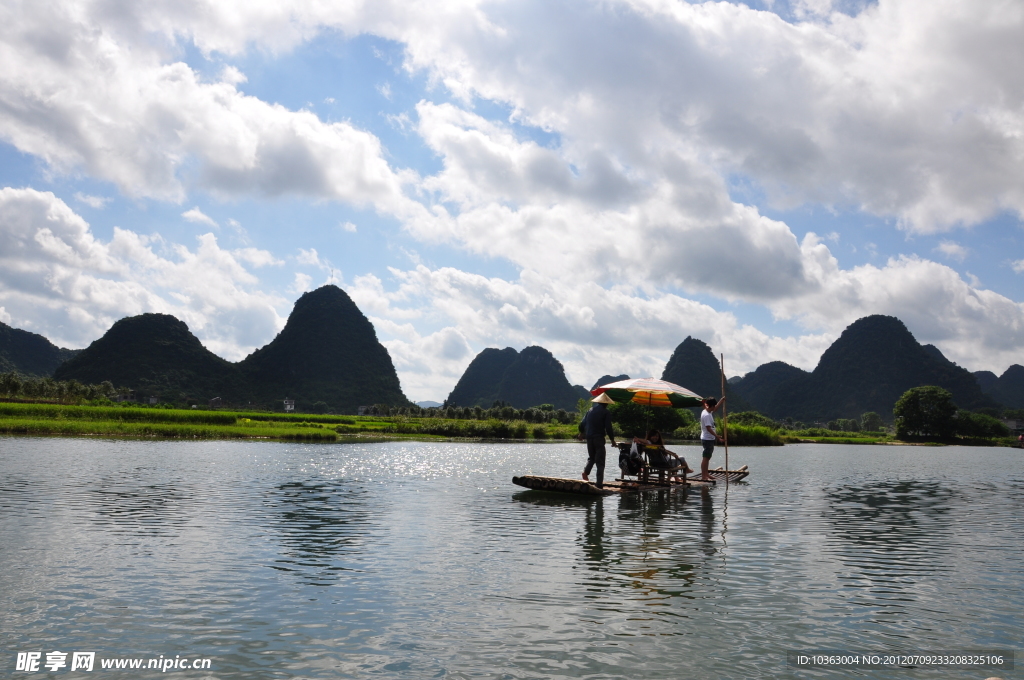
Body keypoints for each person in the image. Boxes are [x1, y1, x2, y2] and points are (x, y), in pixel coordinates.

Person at [578, 392, 617, 488]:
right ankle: (599, 484)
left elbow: (582, 424)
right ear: (606, 403)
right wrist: (612, 440)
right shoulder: (606, 412)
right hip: (598, 438)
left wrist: (581, 433)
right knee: (600, 461)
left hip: (589, 437)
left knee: (592, 457)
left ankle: (586, 472)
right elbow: (608, 427)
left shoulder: (590, 410)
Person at [699, 396, 726, 481]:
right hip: (707, 439)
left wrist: (721, 401)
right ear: (710, 406)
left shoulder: (708, 411)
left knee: (708, 457)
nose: (714, 407)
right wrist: (717, 436)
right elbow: (708, 428)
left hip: (709, 438)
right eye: (713, 406)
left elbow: (715, 409)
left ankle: (706, 474)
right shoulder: (706, 415)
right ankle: (704, 476)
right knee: (706, 457)